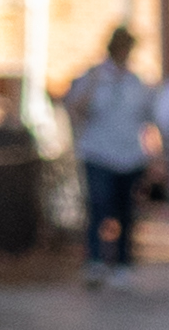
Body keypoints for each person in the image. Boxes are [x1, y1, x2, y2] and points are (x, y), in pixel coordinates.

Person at [61, 29, 160, 279]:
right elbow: (74, 108)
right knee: (98, 205)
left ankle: (123, 262)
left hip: (130, 155)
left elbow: (149, 118)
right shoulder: (93, 77)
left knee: (126, 210)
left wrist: (156, 155)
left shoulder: (135, 81)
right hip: (98, 153)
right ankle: (95, 260)